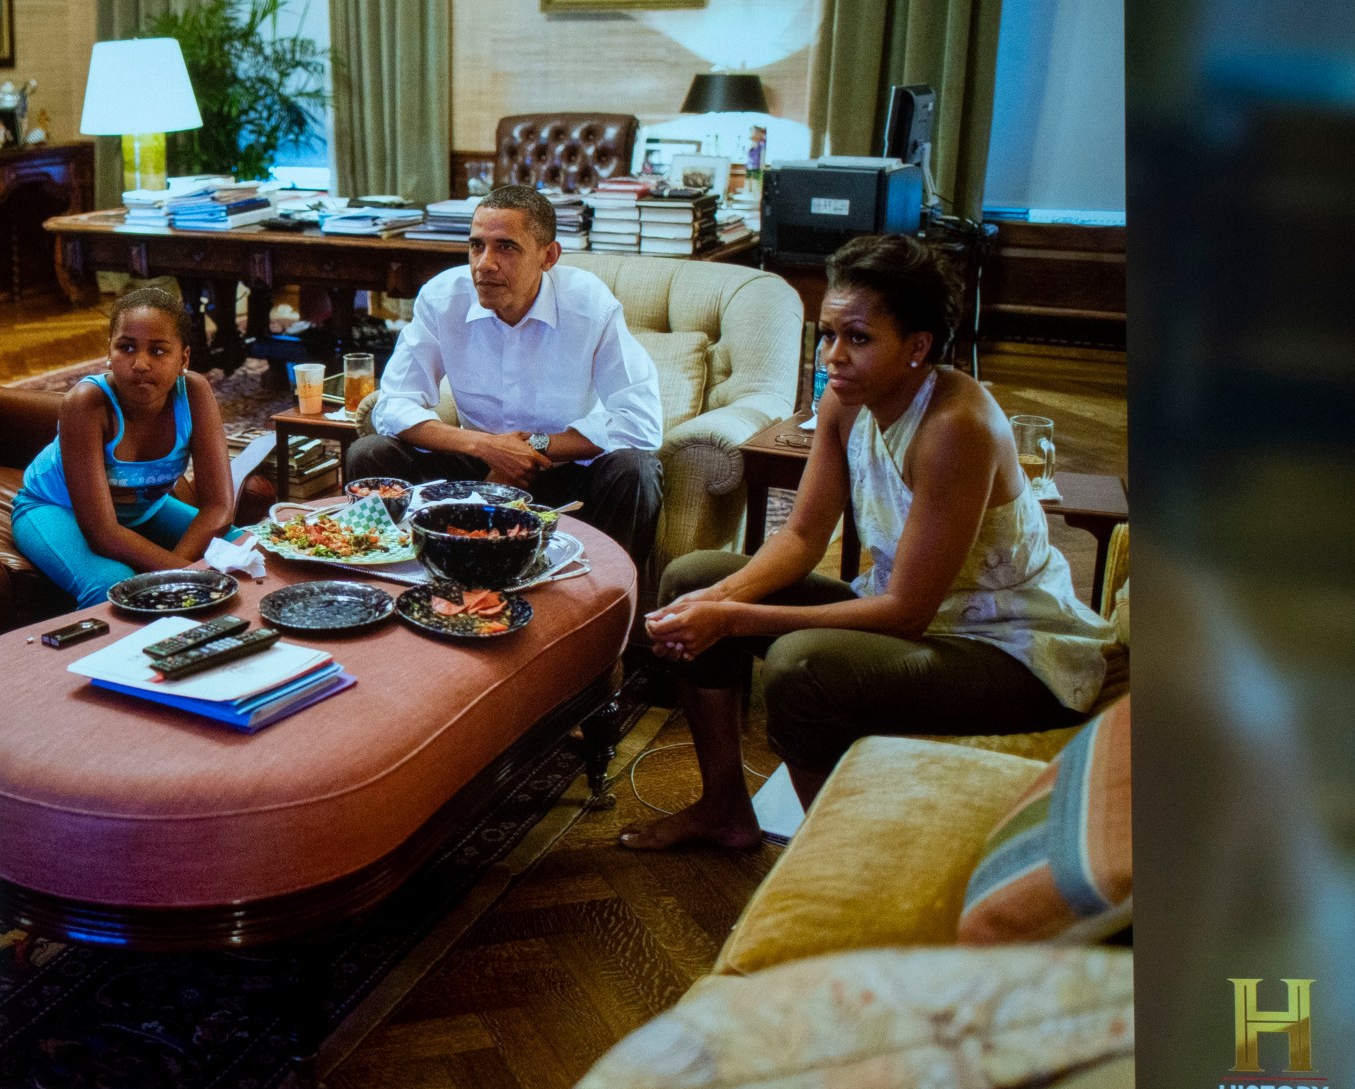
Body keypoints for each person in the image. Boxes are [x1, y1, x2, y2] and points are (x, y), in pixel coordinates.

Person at [619, 233, 1113, 852]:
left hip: (1007, 651)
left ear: (917, 347)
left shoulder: (956, 427)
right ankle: (724, 808)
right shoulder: (843, 402)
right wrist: (710, 601)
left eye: (857, 338)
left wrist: (732, 617)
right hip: (922, 627)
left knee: (800, 666)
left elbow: (907, 613)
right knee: (689, 578)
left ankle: (832, 860)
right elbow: (800, 538)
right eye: (826, 335)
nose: (833, 356)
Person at [344, 184, 664, 569]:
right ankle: (383, 577)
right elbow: (393, 405)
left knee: (637, 470)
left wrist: (536, 448)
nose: (484, 263)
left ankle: (614, 600)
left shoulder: (590, 305)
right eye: (477, 245)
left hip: (564, 470)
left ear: (548, 256)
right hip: (475, 464)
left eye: (506, 247)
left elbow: (641, 422)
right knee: (370, 452)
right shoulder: (443, 298)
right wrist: (484, 447)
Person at [10, 286, 238, 608]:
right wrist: (185, 574)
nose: (140, 363)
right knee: (111, 585)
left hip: (142, 513)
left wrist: (178, 570)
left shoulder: (195, 393)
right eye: (127, 348)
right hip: (55, 509)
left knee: (239, 547)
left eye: (157, 351)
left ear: (183, 358)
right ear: (109, 351)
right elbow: (102, 533)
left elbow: (218, 506)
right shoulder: (86, 404)